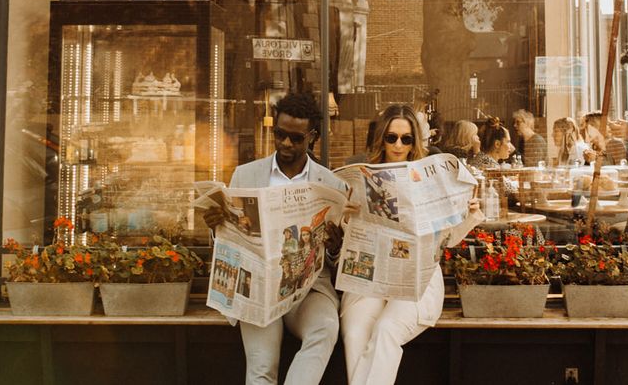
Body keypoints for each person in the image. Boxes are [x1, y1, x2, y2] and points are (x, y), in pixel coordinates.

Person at [203, 92, 347, 385]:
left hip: (308, 289)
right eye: (279, 134)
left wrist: (334, 247)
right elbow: (228, 244)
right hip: (258, 290)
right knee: (261, 366)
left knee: (325, 329)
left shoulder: (331, 183)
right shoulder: (246, 175)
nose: (285, 144)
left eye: (295, 138)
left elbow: (336, 260)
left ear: (312, 137)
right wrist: (216, 226)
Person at [339, 104, 480, 385]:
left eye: (406, 139)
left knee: (386, 329)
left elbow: (449, 239)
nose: (399, 145)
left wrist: (468, 214)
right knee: (355, 333)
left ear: (415, 141)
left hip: (418, 278)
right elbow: (346, 231)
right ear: (382, 138)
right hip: (370, 275)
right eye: (391, 138)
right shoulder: (364, 174)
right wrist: (346, 215)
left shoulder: (432, 175)